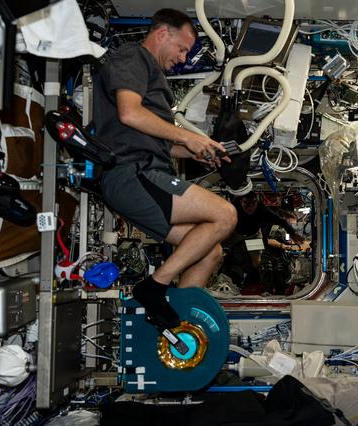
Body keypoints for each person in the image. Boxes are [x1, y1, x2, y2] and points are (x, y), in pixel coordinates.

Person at [95, 8, 237, 329]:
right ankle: (154, 287)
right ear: (162, 34)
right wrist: (187, 136)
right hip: (132, 174)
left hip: (145, 173)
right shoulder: (133, 57)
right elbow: (130, 114)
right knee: (225, 214)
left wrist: (191, 151)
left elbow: (152, 138)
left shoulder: (153, 77)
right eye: (182, 49)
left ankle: (174, 328)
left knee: (210, 252)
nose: (183, 59)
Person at [221, 192, 306, 288]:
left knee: (257, 263)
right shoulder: (233, 208)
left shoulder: (262, 210)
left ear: (257, 202)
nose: (249, 207)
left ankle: (251, 281)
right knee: (218, 252)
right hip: (235, 233)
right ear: (241, 201)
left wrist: (293, 234)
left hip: (253, 235)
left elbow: (281, 221)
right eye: (246, 203)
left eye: (253, 203)